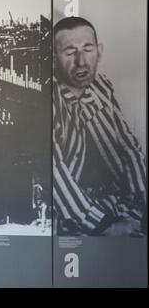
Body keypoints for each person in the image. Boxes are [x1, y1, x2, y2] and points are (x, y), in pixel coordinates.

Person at [53, 17, 147, 236]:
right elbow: (55, 172)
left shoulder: (102, 86)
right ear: (54, 59)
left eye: (88, 49)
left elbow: (128, 145)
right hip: (72, 215)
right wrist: (105, 227)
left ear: (99, 51)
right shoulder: (45, 101)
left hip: (116, 202)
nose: (81, 61)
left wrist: (141, 200)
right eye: (70, 52)